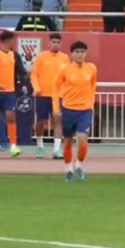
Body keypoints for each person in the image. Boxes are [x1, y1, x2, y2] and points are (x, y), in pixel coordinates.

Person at [53, 41, 98, 182]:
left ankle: (78, 164)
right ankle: (68, 168)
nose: (80, 55)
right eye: (77, 52)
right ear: (72, 54)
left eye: (82, 52)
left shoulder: (91, 68)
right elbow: (55, 88)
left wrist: (91, 104)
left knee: (82, 139)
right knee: (67, 140)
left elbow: (93, 86)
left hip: (84, 110)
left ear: (86, 53)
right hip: (68, 109)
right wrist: (56, 108)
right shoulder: (65, 69)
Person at [30, 32, 69, 159]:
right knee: (41, 122)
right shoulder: (41, 57)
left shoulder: (65, 58)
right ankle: (40, 145)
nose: (55, 44)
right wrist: (37, 88)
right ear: (49, 43)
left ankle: (57, 149)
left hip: (58, 96)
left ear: (60, 44)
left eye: (58, 42)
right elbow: (34, 74)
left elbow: (67, 76)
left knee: (58, 120)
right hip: (43, 94)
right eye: (53, 42)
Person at [0, 31, 21, 159]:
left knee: (11, 116)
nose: (13, 42)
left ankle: (13, 145)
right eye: (12, 40)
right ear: (6, 41)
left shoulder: (12, 55)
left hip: (9, 91)